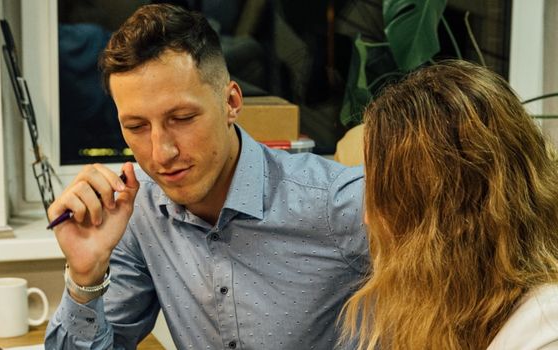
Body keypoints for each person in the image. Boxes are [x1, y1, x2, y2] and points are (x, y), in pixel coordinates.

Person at [44, 4, 367, 349]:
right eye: (137, 127)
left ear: (231, 102)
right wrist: (85, 277)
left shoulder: (339, 202)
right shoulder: (138, 207)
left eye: (182, 118)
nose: (161, 153)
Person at [340, 60, 558, 349]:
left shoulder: (543, 331)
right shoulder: (467, 308)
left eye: (381, 196)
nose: (367, 217)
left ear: (444, 215)